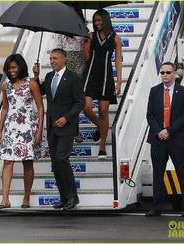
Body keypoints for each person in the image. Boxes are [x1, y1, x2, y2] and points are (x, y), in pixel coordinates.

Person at [34, 48, 85, 210]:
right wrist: (36, 76)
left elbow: (79, 102)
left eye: (55, 58)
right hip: (52, 127)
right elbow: (40, 91)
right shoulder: (49, 77)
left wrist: (66, 118)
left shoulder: (73, 78)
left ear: (64, 59)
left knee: (62, 159)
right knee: (56, 162)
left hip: (66, 126)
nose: (52, 61)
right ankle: (64, 197)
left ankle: (72, 197)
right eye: (50, 59)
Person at [0, 54, 44, 209]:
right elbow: (5, 108)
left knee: (27, 162)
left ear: (21, 67)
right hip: (11, 127)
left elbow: (40, 107)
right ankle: (5, 199)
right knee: (7, 161)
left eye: (14, 67)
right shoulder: (6, 85)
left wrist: (39, 130)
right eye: (9, 68)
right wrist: (0, 130)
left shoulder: (31, 84)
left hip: (28, 127)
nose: (11, 71)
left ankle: (26, 198)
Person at [146, 62, 184, 217]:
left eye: (167, 72)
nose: (164, 75)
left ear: (174, 74)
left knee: (181, 173)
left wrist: (169, 131)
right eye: (162, 72)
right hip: (158, 138)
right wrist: (159, 131)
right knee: (158, 174)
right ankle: (156, 207)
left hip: (177, 138)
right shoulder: (154, 91)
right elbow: (150, 115)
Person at [82, 9, 122, 159]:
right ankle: (100, 126)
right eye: (95, 21)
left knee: (103, 110)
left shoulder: (116, 38)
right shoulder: (91, 36)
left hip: (106, 76)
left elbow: (118, 60)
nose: (97, 23)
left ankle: (102, 147)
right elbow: (86, 58)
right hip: (91, 74)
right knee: (85, 106)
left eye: (99, 20)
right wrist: (85, 44)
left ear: (105, 20)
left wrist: (118, 82)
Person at [52, 2, 86, 143]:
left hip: (78, 64)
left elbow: (84, 51)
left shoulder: (83, 28)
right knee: (65, 100)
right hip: (64, 63)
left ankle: (75, 130)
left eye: (72, 12)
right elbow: (57, 50)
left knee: (76, 99)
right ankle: (69, 128)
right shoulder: (59, 29)